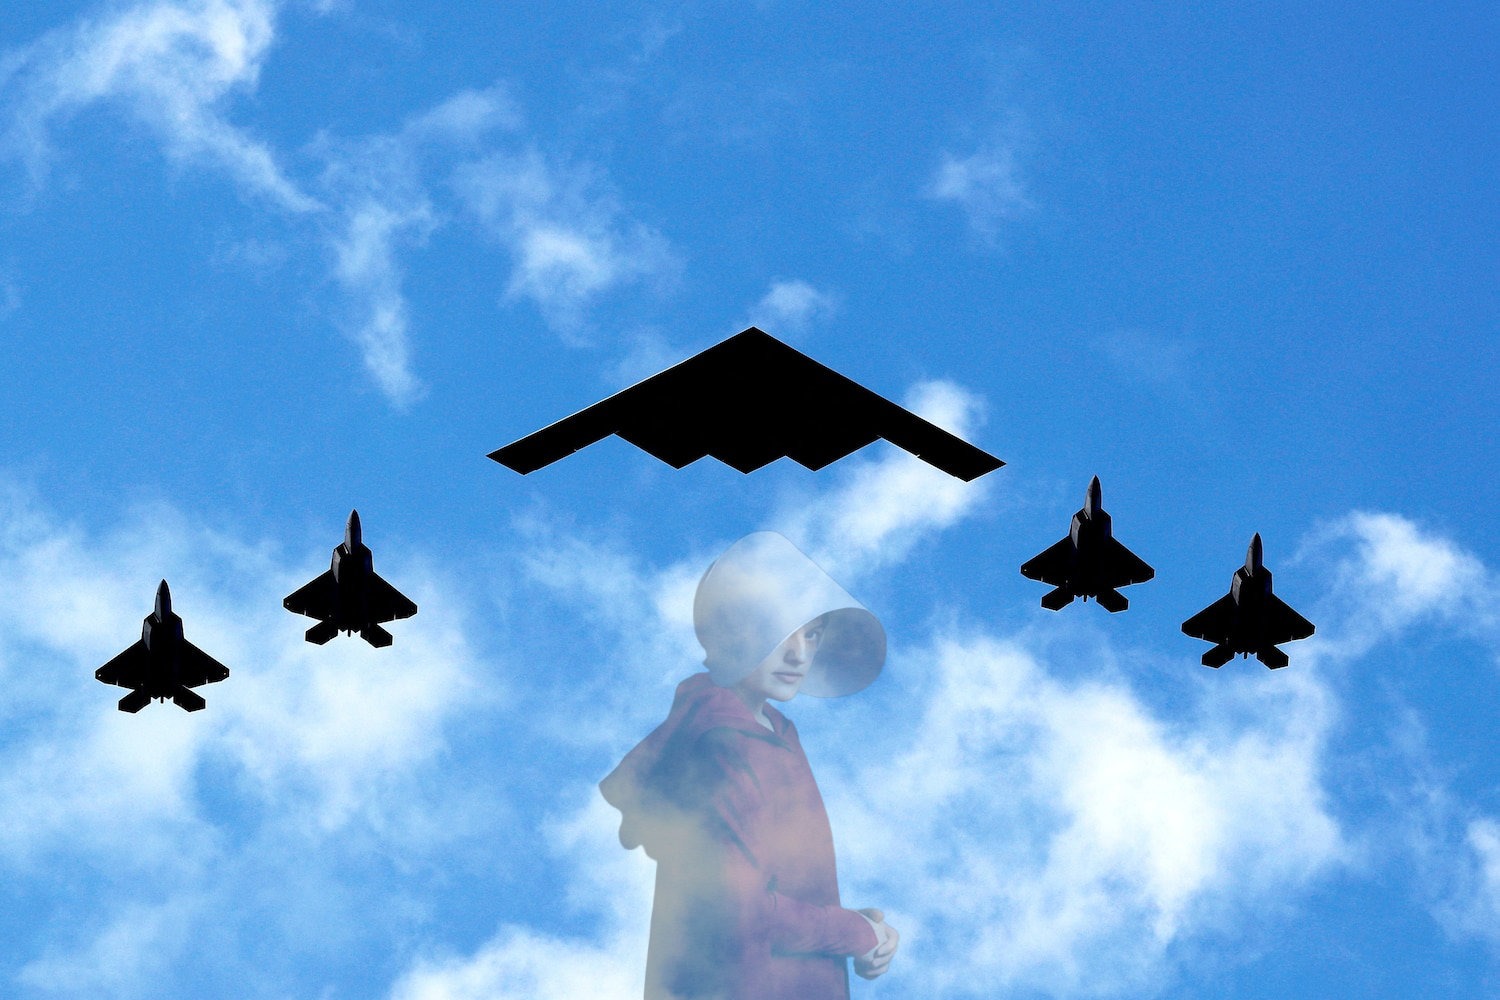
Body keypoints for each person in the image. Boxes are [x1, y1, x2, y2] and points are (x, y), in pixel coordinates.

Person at [600, 532, 900, 1000]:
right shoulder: (724, 742)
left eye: (812, 634)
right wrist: (852, 932)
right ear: (736, 628)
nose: (799, 654)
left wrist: (860, 928)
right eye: (780, 631)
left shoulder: (771, 731)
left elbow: (766, 886)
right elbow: (739, 913)